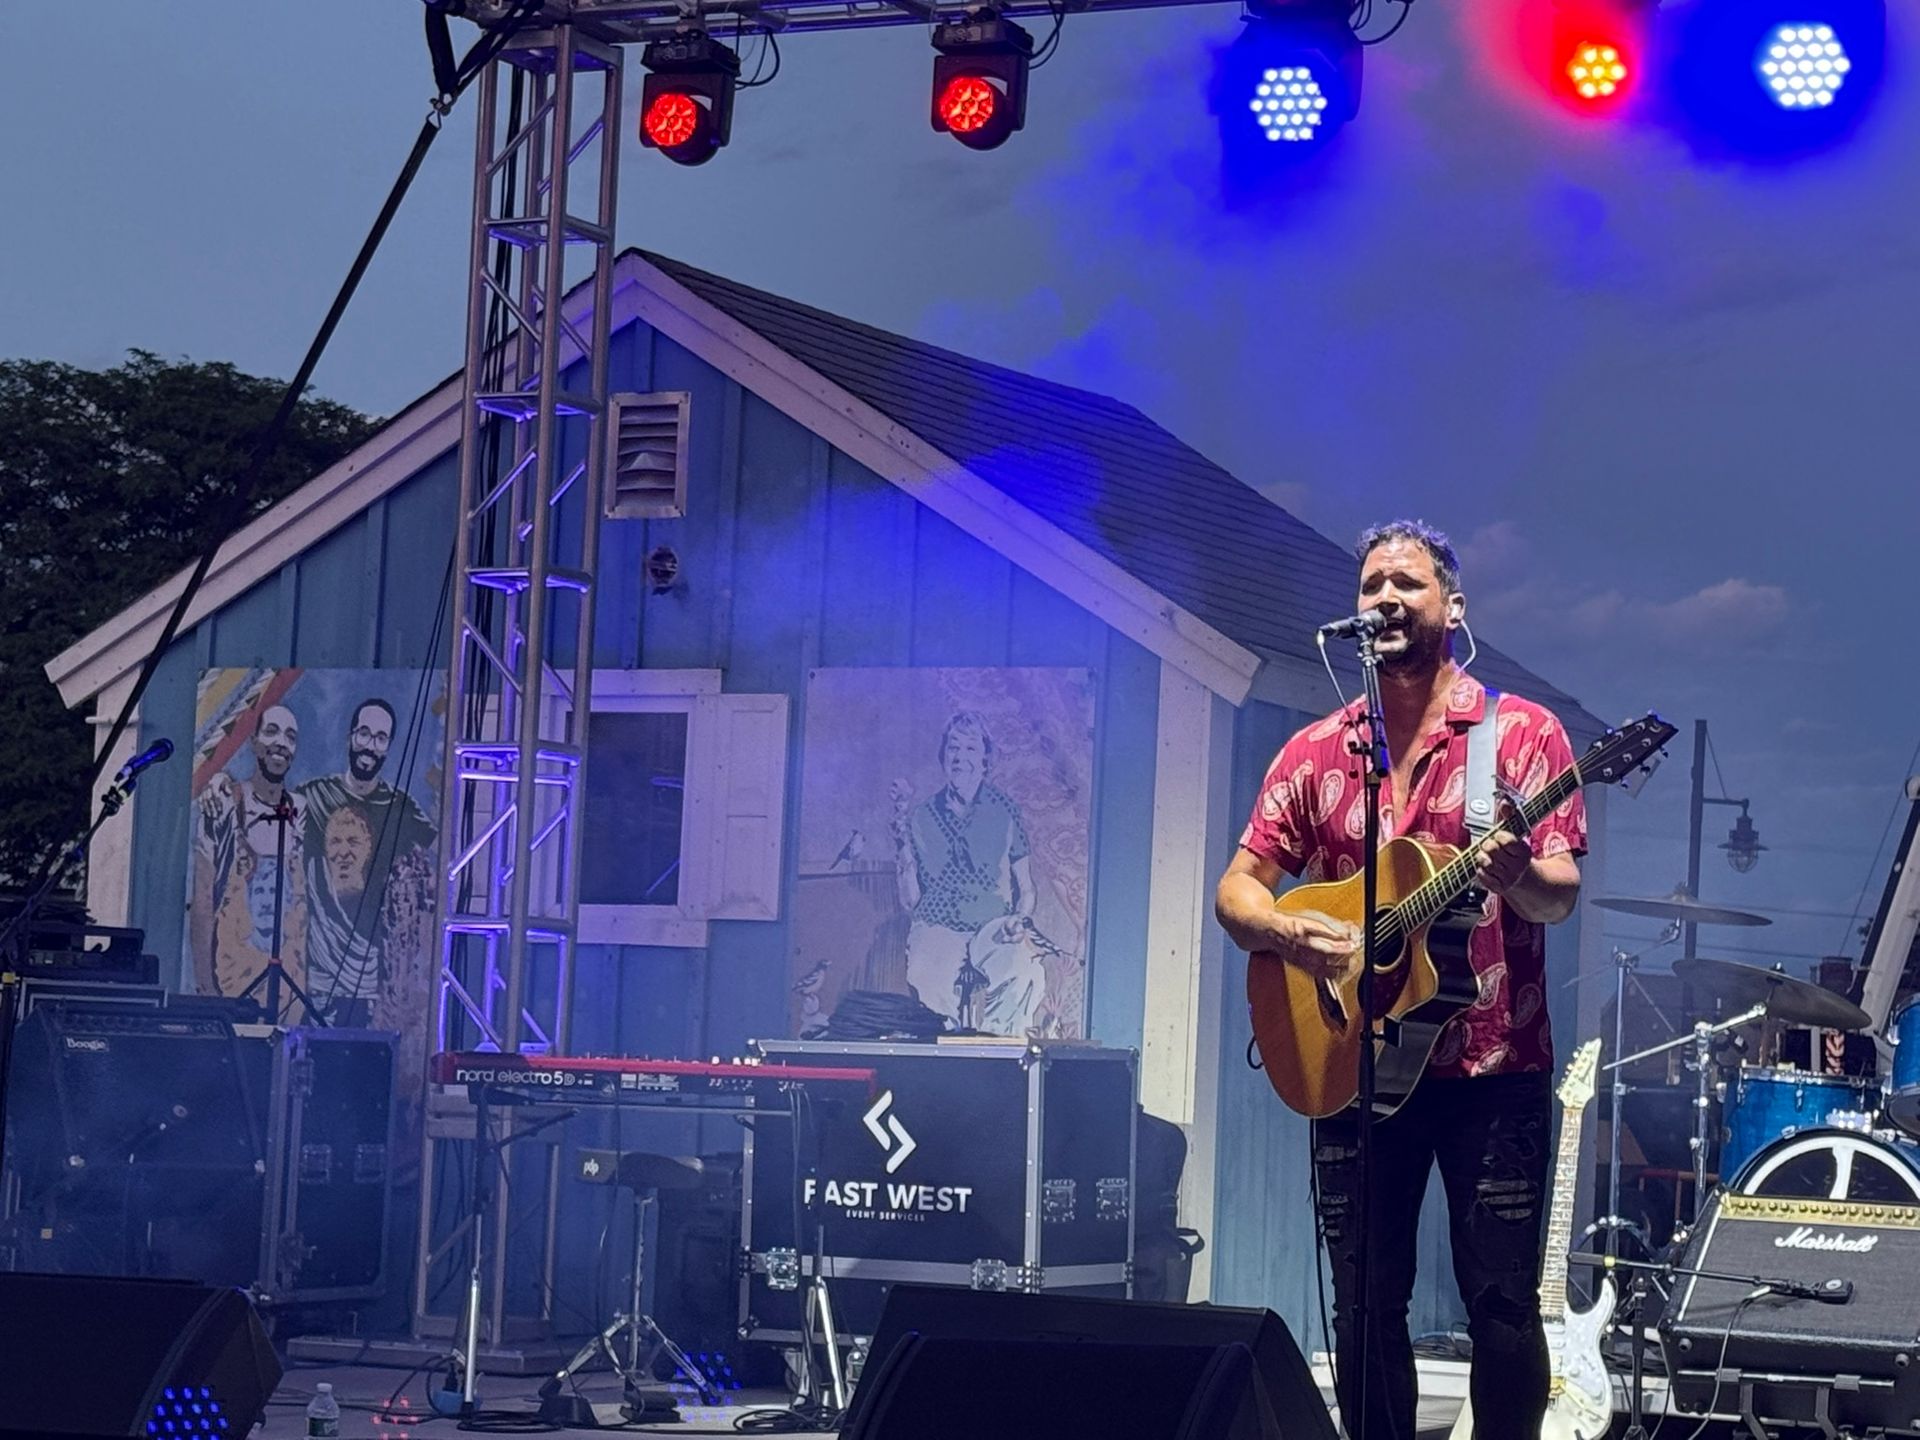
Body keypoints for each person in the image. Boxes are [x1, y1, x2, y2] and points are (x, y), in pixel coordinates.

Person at [1214, 520, 1586, 1440]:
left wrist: (1518, 876)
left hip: (1494, 1069)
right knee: (1364, 1302)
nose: (1384, 597)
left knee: (1500, 1305)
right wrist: (1290, 936)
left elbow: (1559, 898)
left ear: (1453, 608)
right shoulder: (1318, 751)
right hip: (1352, 1061)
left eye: (1406, 583)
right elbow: (1236, 890)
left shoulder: (1524, 737)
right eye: (1371, 583)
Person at [890, 710, 1051, 1034]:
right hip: (938, 925)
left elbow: (1027, 890)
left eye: (969, 749)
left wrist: (1018, 921)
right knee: (927, 981)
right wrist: (900, 839)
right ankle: (948, 1063)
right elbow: (911, 902)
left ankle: (999, 1056)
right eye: (952, 747)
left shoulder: (1005, 812)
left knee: (1025, 973)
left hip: (994, 927)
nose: (959, 757)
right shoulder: (921, 816)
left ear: (985, 759)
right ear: (943, 756)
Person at [297, 697, 437, 1024]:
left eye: (380, 738)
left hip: (371, 978)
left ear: (388, 748)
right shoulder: (313, 796)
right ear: (350, 737)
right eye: (364, 734)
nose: (369, 746)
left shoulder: (400, 807)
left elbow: (439, 859)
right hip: (314, 977)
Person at [191, 702, 310, 1003]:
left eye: (290, 736)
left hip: (288, 983)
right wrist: (205, 986)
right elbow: (203, 898)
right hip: (233, 973)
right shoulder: (225, 804)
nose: (281, 743)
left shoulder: (302, 810)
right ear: (254, 742)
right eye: (271, 732)